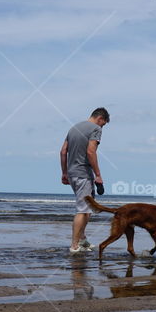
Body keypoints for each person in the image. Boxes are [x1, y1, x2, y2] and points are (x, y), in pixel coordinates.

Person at [60, 107, 109, 253]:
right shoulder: (95, 129)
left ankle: (83, 240)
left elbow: (63, 151)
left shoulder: (74, 128)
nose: (102, 127)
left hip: (72, 173)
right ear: (100, 119)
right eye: (103, 124)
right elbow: (90, 151)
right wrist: (98, 175)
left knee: (88, 207)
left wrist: (64, 172)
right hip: (83, 174)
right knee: (82, 210)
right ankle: (75, 246)